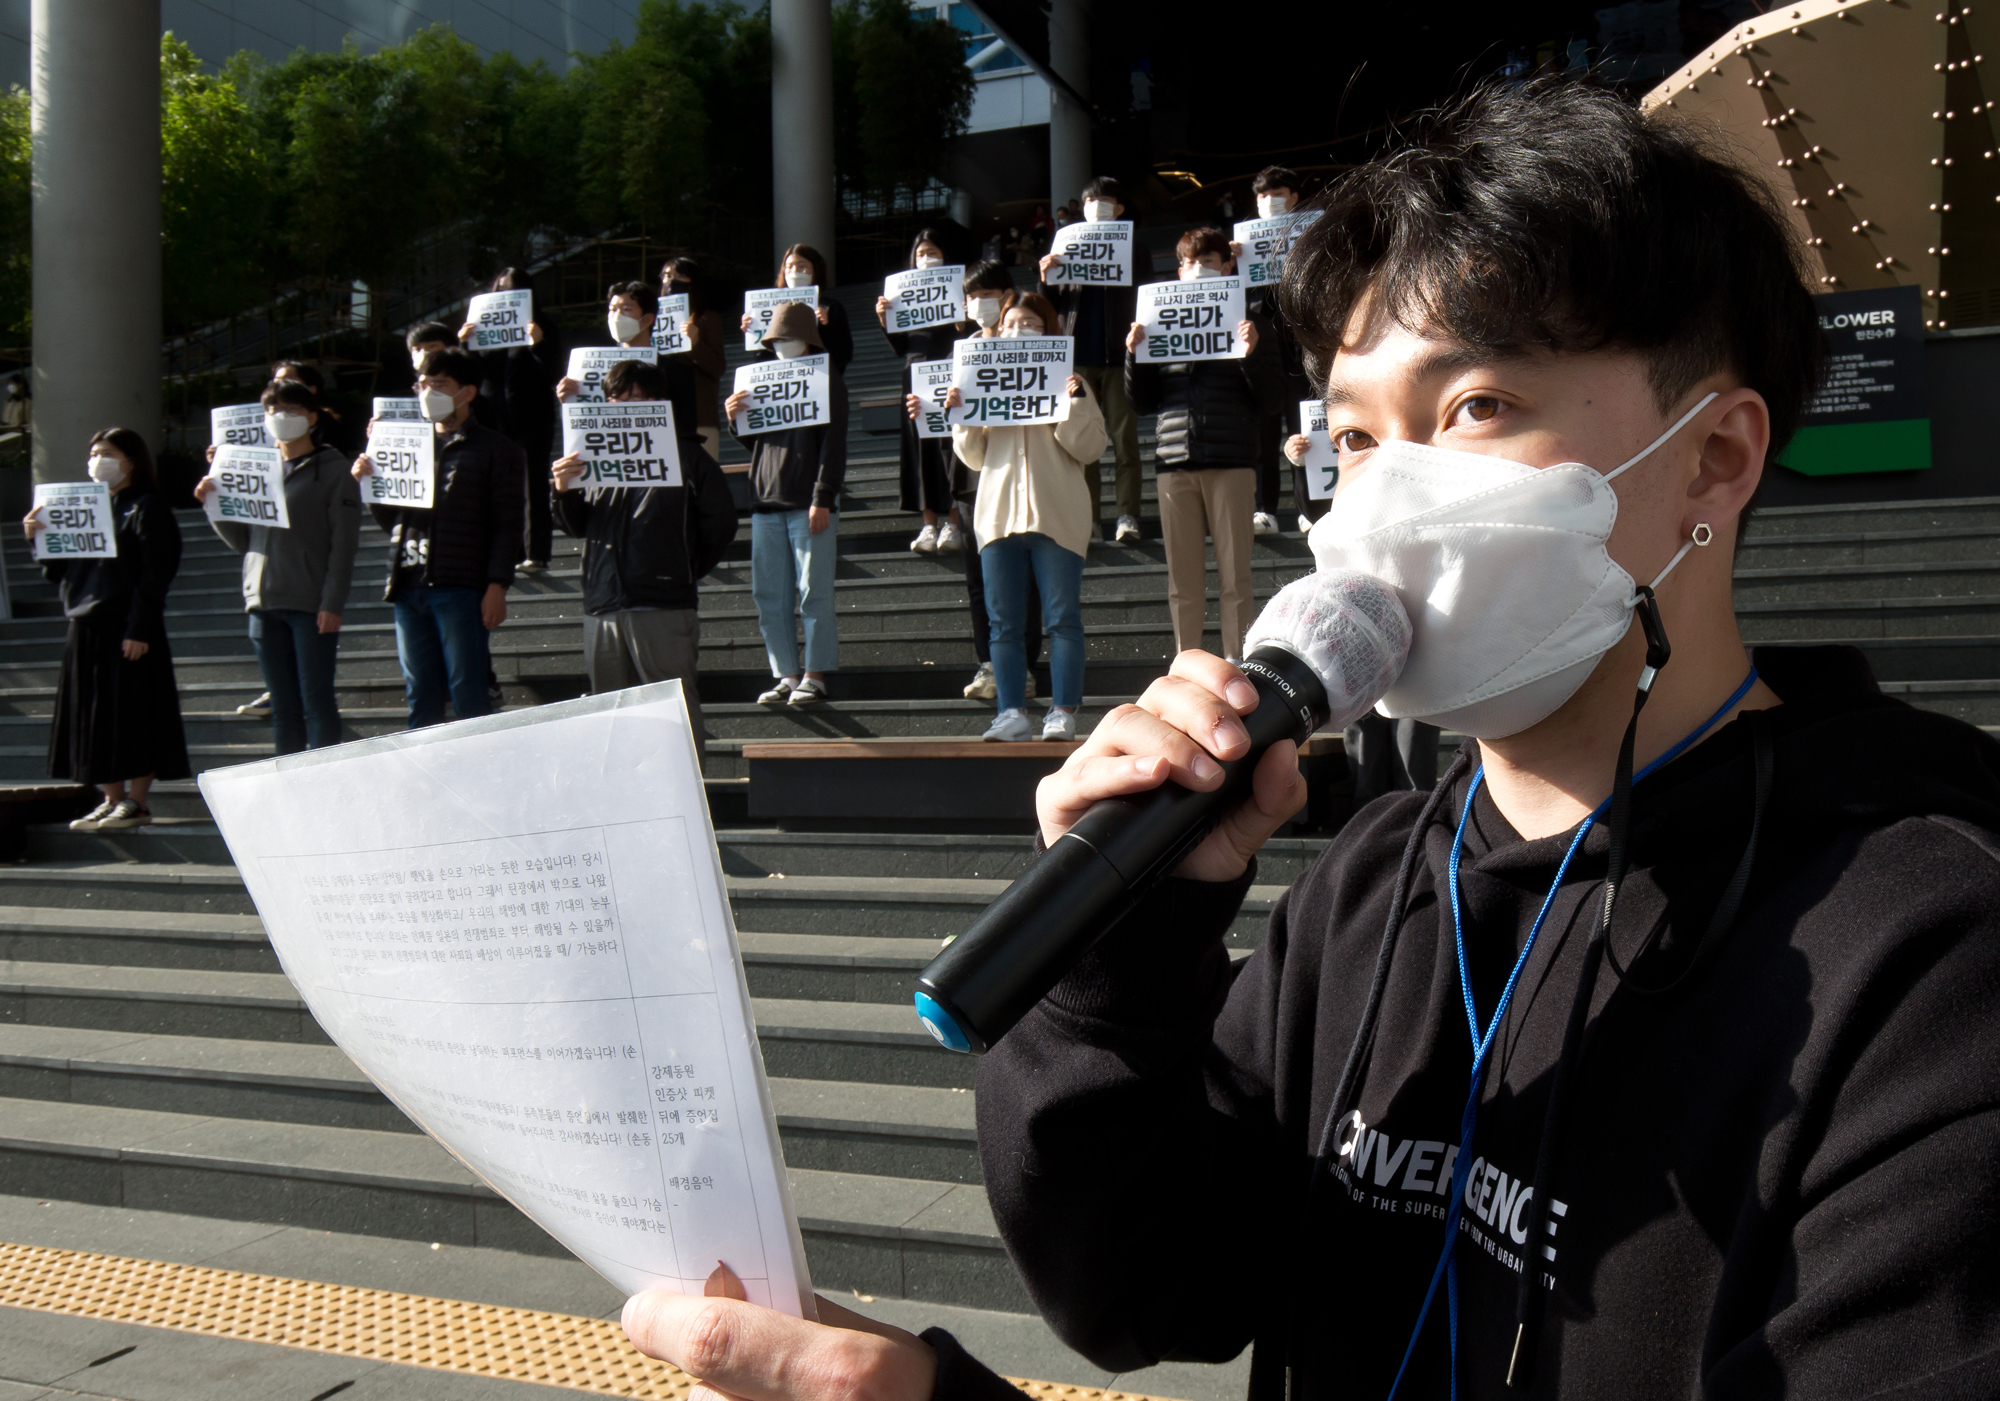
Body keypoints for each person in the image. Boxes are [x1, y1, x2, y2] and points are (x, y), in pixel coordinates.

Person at [618, 79, 2000, 1401]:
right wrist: (1116, 966)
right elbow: (1145, 1287)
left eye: (1474, 408)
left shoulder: (1933, 960)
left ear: (1716, 456)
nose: (1387, 495)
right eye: (1354, 438)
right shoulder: (1373, 883)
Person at [552, 359, 736, 741]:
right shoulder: (592, 456)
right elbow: (577, 526)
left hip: (661, 606)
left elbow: (721, 522)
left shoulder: (687, 456)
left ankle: (686, 784)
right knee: (611, 725)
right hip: (603, 604)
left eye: (633, 399)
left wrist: (679, 568)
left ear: (658, 403)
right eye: (615, 399)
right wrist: (563, 491)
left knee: (673, 721)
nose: (621, 407)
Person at [948, 294, 1105, 743]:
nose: (1019, 331)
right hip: (998, 516)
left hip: (1058, 514)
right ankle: (1010, 712)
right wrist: (961, 414)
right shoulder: (983, 380)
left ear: (1048, 330)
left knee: (1062, 618)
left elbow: (1092, 448)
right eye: (1011, 323)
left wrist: (1071, 404)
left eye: (1030, 323)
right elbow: (973, 457)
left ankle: (1063, 711)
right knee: (1003, 624)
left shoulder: (1074, 381)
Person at [26, 429, 189, 831]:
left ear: (131, 461)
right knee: (94, 716)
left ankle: (137, 801)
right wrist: (38, 538)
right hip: (86, 623)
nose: (97, 461)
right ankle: (110, 797)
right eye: (94, 453)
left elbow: (155, 574)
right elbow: (60, 572)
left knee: (134, 713)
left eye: (107, 453)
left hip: (127, 624)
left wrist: (140, 628)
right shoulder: (88, 507)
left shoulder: (147, 508)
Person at [353, 348, 525, 729]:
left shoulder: (495, 449)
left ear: (467, 392)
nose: (428, 393)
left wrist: (497, 584)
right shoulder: (409, 445)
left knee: (468, 691)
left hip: (460, 585)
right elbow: (394, 521)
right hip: (408, 584)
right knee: (420, 694)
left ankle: (477, 761)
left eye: (439, 385)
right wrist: (372, 484)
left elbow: (508, 523)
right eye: (422, 385)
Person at [1125, 227, 1274, 661]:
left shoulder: (1251, 320)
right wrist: (1134, 355)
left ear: (1226, 267)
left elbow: (1271, 400)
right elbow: (1142, 402)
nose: (1198, 269)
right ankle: (1187, 663)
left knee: (1235, 577)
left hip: (1232, 459)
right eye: (1190, 262)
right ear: (1178, 271)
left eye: (1208, 261)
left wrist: (1252, 354)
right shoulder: (1157, 323)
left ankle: (1236, 662)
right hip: (1174, 461)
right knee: (1183, 581)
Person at [194, 378, 361, 756]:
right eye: (273, 410)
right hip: (263, 602)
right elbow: (246, 540)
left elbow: (344, 543)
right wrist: (214, 506)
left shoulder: (334, 470)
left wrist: (332, 602)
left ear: (312, 417)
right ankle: (288, 777)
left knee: (316, 700)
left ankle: (325, 774)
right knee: (283, 708)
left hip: (309, 603)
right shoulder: (258, 470)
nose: (281, 417)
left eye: (292, 410)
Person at [725, 302, 846, 708]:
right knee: (769, 595)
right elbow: (758, 441)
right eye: (776, 338)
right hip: (765, 499)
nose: (782, 344)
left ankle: (815, 674)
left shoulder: (827, 379)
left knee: (814, 592)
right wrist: (735, 418)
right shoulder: (760, 380)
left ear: (808, 338)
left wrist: (823, 496)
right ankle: (787, 675)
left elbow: (834, 443)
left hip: (808, 500)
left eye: (789, 336)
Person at [941, 264, 1042, 704]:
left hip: (1019, 478)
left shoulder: (1032, 349)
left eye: (990, 295)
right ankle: (988, 663)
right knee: (979, 580)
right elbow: (952, 421)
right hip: (971, 480)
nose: (982, 304)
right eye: (973, 296)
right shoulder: (962, 354)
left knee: (1027, 581)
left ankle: (1025, 667)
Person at [1039, 176, 1144, 545]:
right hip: (1077, 360)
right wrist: (1046, 277)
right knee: (1082, 439)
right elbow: (1050, 307)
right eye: (1090, 201)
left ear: (1120, 209)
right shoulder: (1066, 246)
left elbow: (1147, 295)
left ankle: (1128, 514)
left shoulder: (1135, 248)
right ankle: (1090, 518)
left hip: (1119, 357)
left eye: (1105, 200)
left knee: (1124, 439)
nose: (1097, 206)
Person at [458, 268, 563, 575]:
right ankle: (507, 553)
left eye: (514, 290)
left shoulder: (544, 327)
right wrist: (465, 345)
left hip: (533, 418)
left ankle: (536, 553)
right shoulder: (483, 330)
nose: (507, 296)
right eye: (501, 289)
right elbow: (470, 375)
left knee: (533, 485)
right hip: (493, 417)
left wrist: (538, 344)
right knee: (498, 486)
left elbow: (555, 373)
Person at [876, 228, 968, 555]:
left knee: (952, 446)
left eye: (933, 252)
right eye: (921, 254)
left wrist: (963, 319)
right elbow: (900, 345)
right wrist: (886, 320)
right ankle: (929, 524)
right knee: (920, 448)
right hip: (915, 375)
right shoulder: (904, 292)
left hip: (952, 370)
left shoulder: (960, 288)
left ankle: (954, 522)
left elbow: (971, 333)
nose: (926, 258)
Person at [1240, 164, 1312, 535]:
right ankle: (1264, 509)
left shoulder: (1310, 235)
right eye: (1262, 195)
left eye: (1277, 193)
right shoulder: (1244, 243)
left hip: (1301, 346)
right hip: (1263, 348)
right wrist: (1233, 262)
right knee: (1265, 432)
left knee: (1304, 431)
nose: (1268, 200)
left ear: (1294, 197)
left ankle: (1309, 508)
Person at [557, 281, 698, 429]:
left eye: (626, 309)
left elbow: (685, 428)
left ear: (647, 319)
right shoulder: (588, 369)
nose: (616, 317)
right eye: (612, 310)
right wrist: (568, 401)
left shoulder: (676, 372)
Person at [659, 257, 730, 461]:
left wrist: (696, 344)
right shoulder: (652, 322)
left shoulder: (706, 319)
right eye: (667, 276)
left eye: (679, 275)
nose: (671, 281)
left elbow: (717, 367)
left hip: (700, 418)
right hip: (663, 416)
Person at [742, 245, 852, 374]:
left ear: (816, 270)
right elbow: (761, 357)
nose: (795, 272)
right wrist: (753, 329)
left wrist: (826, 327)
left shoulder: (831, 308)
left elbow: (843, 354)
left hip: (818, 376)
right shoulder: (769, 306)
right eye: (789, 267)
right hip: (780, 376)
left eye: (802, 266)